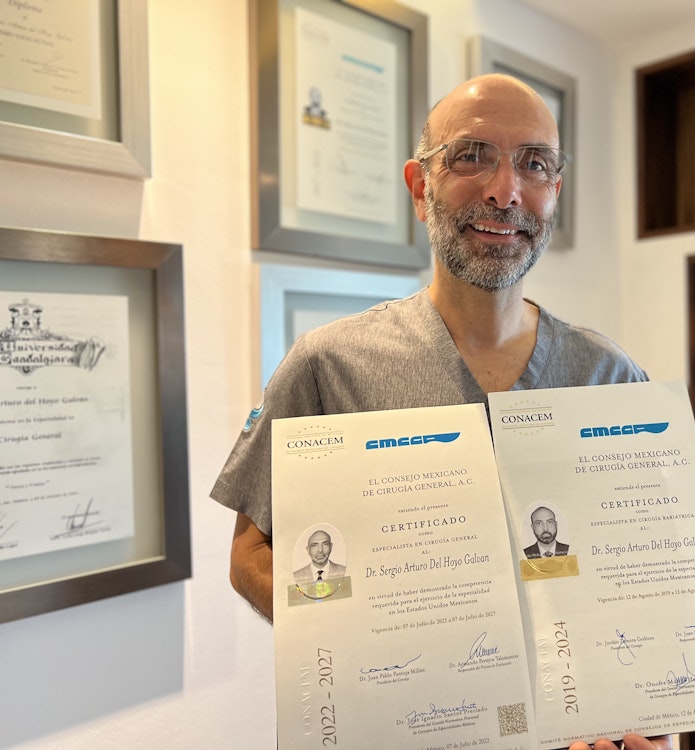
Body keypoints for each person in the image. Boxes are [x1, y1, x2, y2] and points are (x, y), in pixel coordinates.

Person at [212, 73, 670, 750]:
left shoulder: (608, 375)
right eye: (472, 154)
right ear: (420, 186)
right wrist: (358, 634)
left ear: (554, 192)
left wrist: (647, 707)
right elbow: (251, 552)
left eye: (534, 164)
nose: (505, 190)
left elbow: (648, 571)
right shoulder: (328, 366)